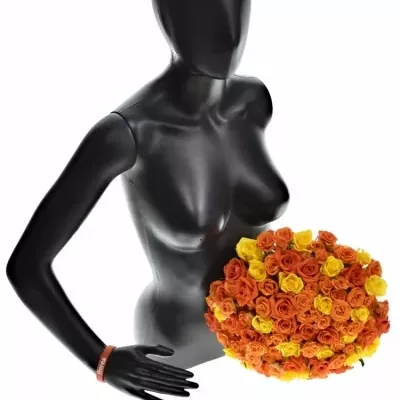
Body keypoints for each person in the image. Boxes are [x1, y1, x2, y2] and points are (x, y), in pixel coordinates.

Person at [6, 0, 289, 399]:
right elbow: (26, 265)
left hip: (267, 340)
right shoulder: (128, 134)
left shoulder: (252, 100)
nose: (227, 30)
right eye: (202, 9)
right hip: (173, 352)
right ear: (167, 15)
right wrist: (101, 360)